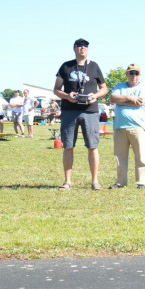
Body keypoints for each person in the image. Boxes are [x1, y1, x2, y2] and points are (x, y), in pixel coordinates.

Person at [53, 38, 108, 190]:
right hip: (69, 111)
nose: (82, 48)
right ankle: (67, 182)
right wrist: (67, 96)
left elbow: (104, 88)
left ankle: (95, 181)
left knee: (92, 146)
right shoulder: (66, 66)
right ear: (74, 49)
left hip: (90, 111)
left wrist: (94, 96)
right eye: (79, 46)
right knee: (68, 146)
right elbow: (56, 89)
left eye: (85, 46)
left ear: (88, 49)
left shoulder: (94, 66)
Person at [109, 63, 145, 188]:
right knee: (120, 157)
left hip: (137, 126)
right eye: (131, 73)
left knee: (141, 155)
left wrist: (122, 101)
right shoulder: (119, 86)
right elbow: (113, 98)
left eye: (136, 73)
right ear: (127, 74)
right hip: (119, 127)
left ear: (139, 75)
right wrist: (129, 98)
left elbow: (140, 102)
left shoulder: (144, 87)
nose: (133, 75)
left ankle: (142, 182)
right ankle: (121, 182)